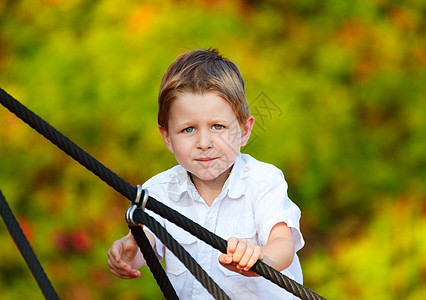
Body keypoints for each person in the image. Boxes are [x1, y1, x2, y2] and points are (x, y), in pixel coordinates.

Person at [107, 48, 304, 299]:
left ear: (244, 131)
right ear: (167, 137)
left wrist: (259, 258)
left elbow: (283, 245)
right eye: (188, 129)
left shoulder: (263, 181)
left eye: (217, 126)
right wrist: (126, 254)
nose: (204, 142)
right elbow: (143, 246)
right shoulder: (157, 192)